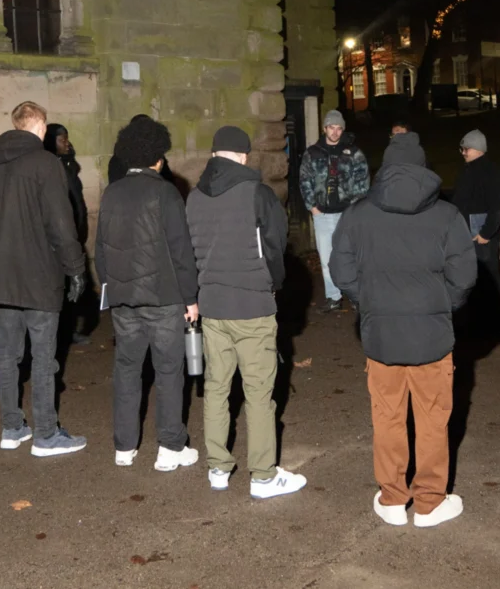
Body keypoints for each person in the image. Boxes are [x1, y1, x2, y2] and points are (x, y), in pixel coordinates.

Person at [330, 132, 476, 527]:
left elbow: (340, 270)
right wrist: (441, 305)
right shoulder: (447, 216)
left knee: (388, 415)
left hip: (381, 335)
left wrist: (371, 301)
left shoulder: (358, 214)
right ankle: (429, 502)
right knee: (432, 418)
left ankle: (393, 499)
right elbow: (464, 275)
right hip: (431, 336)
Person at [186, 126, 304, 498]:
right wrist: (273, 285)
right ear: (242, 155)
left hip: (213, 307)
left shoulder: (193, 197)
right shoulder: (258, 194)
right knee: (258, 394)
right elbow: (275, 248)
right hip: (252, 305)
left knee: (216, 389)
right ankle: (263, 477)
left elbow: (188, 255)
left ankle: (218, 469)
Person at [0, 102, 88, 457]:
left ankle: (12, 427)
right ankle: (45, 433)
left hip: (3, 274)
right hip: (39, 274)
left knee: (8, 354)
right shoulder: (45, 163)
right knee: (43, 357)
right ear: (40, 127)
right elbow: (61, 223)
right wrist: (75, 268)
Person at [96, 117, 200, 472]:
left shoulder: (112, 192)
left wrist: (111, 288)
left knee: (127, 369)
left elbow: (100, 251)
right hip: (163, 297)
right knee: (169, 370)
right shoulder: (166, 192)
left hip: (124, 299)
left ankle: (124, 447)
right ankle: (170, 447)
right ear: (158, 156)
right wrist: (191, 298)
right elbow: (181, 250)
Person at [298, 110, 370, 312]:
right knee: (326, 259)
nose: (335, 132)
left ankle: (356, 296)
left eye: (339, 128)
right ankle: (333, 296)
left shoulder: (353, 153)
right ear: (324, 128)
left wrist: (355, 206)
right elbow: (304, 180)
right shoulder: (313, 152)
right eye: (332, 127)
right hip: (323, 214)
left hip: (348, 213)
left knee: (352, 255)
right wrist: (312, 207)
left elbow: (363, 182)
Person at [44, 123, 96, 345]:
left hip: (73, 236)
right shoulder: (48, 167)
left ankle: (68, 329)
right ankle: (59, 333)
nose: (67, 143)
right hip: (59, 240)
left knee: (74, 289)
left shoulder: (64, 164)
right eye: (62, 139)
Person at [451, 129, 500, 324]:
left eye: (466, 149)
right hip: (468, 233)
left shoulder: (489, 172)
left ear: (479, 149)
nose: (463, 152)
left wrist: (486, 232)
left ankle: (493, 314)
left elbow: (496, 205)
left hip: (481, 235)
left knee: (488, 274)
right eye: (462, 148)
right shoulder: (469, 169)